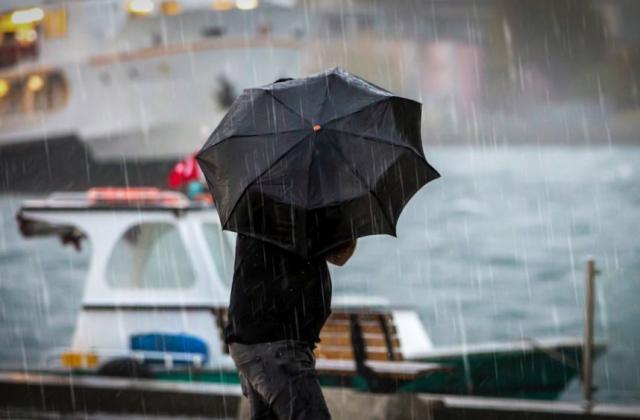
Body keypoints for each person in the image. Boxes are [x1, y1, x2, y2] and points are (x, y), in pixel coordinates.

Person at [226, 234, 357, 420]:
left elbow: (339, 255)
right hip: (275, 344)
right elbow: (340, 253)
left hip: (264, 339)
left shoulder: (276, 219)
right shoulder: (294, 218)